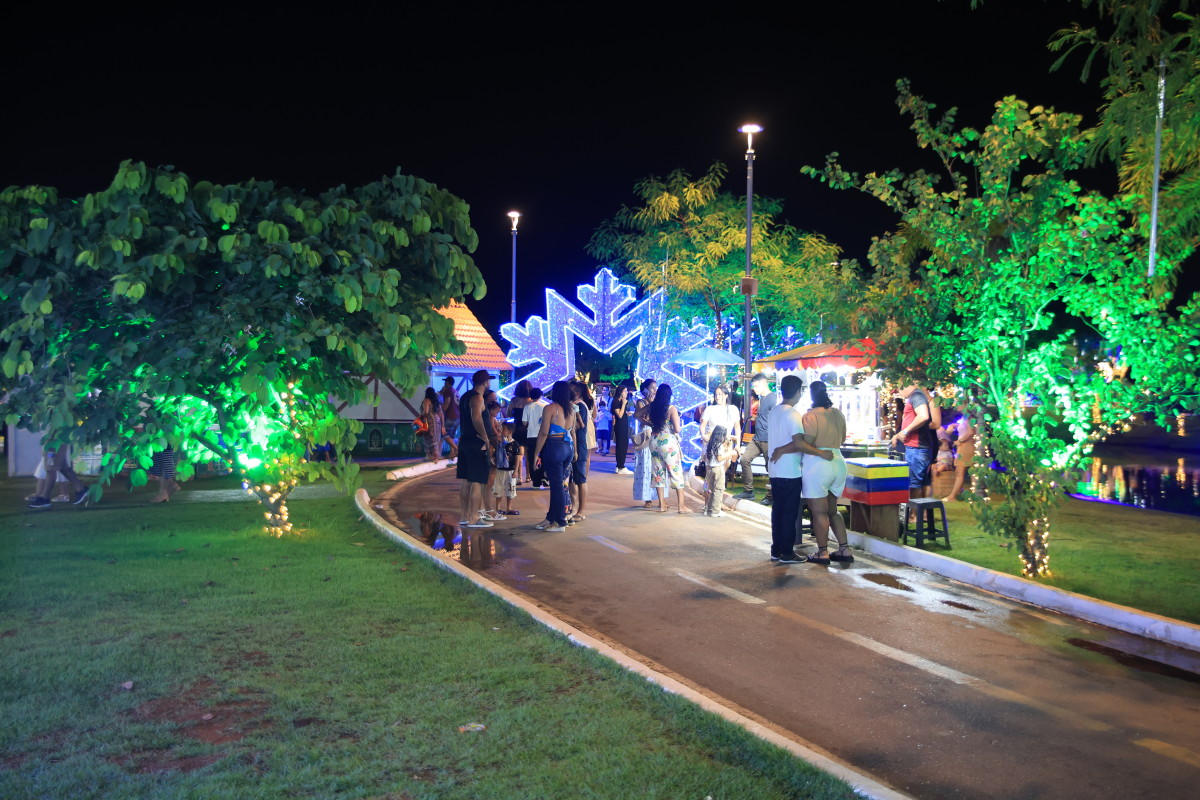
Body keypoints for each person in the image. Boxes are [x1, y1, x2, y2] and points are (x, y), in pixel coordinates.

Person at [767, 375, 834, 563]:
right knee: (789, 513)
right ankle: (787, 553)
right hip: (789, 471)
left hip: (775, 469)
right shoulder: (793, 414)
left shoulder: (774, 412)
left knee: (778, 512)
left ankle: (776, 550)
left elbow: (786, 442)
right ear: (798, 392)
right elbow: (799, 443)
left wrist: (781, 449)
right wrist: (821, 453)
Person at [798, 381, 853, 564]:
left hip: (818, 464)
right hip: (838, 461)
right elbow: (842, 439)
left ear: (812, 395)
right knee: (832, 510)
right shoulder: (837, 413)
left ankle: (822, 552)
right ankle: (844, 549)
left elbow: (807, 442)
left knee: (819, 512)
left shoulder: (810, 416)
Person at [635, 383, 690, 513]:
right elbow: (677, 429)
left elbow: (636, 415)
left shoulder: (652, 406)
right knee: (676, 473)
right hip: (668, 443)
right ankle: (681, 506)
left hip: (654, 441)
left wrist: (648, 424)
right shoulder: (671, 409)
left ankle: (661, 505)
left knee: (658, 473)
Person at [531, 381, 577, 532]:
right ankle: (551, 517)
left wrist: (536, 453)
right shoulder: (571, 409)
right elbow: (573, 432)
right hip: (568, 447)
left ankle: (560, 521)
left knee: (557, 487)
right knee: (558, 485)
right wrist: (575, 451)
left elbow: (544, 432)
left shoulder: (550, 408)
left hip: (555, 446)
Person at [457, 370, 496, 528]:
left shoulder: (465, 396)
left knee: (466, 481)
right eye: (489, 381)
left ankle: (464, 516)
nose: (489, 384)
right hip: (476, 442)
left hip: (465, 441)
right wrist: (486, 438)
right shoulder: (478, 397)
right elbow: (477, 418)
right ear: (485, 382)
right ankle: (474, 517)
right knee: (477, 481)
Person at [890, 383, 936, 502]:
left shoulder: (916, 396)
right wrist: (898, 435)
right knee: (922, 482)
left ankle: (915, 511)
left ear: (902, 385)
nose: (900, 394)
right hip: (918, 447)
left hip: (917, 448)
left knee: (914, 484)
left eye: (898, 391)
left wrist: (905, 431)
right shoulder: (915, 396)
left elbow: (923, 416)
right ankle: (923, 511)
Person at [736, 373, 776, 505]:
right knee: (744, 459)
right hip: (757, 438)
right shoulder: (762, 399)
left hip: (768, 439)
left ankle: (770, 496)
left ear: (764, 383)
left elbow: (777, 418)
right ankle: (749, 491)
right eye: (754, 386)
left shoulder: (773, 399)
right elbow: (765, 416)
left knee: (770, 468)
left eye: (756, 386)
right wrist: (756, 418)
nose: (754, 389)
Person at [27, 442, 89, 509]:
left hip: (53, 444)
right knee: (62, 467)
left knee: (50, 468)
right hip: (56, 442)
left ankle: (45, 498)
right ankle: (81, 489)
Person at [568, 380, 595, 523]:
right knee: (572, 479)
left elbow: (579, 426)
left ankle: (581, 510)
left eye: (571, 390)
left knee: (580, 479)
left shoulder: (580, 406)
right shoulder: (573, 405)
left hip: (579, 445)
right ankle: (574, 507)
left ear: (577, 392)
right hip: (572, 446)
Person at [631, 379, 657, 507]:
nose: (655, 390)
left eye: (656, 388)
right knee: (646, 467)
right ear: (645, 389)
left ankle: (659, 496)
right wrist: (651, 404)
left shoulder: (657, 402)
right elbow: (641, 417)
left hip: (656, 434)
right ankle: (647, 498)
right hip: (646, 435)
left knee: (657, 466)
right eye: (652, 388)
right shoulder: (640, 402)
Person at [944, 405, 977, 502]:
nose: (956, 405)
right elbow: (968, 428)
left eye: (959, 403)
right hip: (966, 446)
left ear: (964, 404)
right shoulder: (966, 417)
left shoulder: (968, 416)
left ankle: (952, 496)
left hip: (965, 446)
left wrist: (960, 441)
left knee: (960, 472)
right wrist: (957, 425)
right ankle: (973, 495)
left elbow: (971, 432)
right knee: (971, 471)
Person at [702, 425, 737, 516]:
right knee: (718, 490)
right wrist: (730, 453)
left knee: (711, 490)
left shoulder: (709, 444)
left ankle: (708, 509)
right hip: (718, 468)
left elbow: (705, 457)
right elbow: (719, 458)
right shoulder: (719, 445)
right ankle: (715, 511)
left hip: (709, 468)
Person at [492, 420, 520, 516]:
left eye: (503, 429)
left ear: (510, 431)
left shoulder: (515, 444)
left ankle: (509, 508)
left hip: (510, 470)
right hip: (500, 470)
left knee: (510, 489)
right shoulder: (499, 443)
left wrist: (516, 471)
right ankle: (498, 508)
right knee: (498, 489)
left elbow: (517, 458)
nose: (501, 431)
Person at [523, 387, 549, 488]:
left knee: (532, 457)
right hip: (543, 435)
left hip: (531, 435)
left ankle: (536, 481)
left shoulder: (527, 407)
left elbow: (524, 423)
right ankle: (544, 476)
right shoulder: (545, 406)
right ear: (540, 395)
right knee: (544, 455)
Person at [509, 380, 533, 483]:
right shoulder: (531, 400)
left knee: (519, 453)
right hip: (529, 428)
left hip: (517, 428)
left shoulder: (514, 400)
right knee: (528, 453)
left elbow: (508, 413)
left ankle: (519, 476)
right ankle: (528, 476)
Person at [419, 387, 444, 462]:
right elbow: (441, 414)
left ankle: (429, 456)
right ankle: (436, 455)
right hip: (438, 421)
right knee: (436, 437)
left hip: (430, 420)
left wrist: (421, 417)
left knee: (429, 437)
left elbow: (426, 412)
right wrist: (443, 426)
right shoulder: (436, 401)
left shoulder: (426, 400)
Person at [611, 384, 632, 474]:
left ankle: (619, 465)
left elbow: (621, 413)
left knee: (623, 444)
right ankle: (621, 466)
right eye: (625, 391)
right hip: (620, 425)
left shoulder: (621, 401)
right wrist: (623, 404)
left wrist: (626, 413)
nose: (626, 393)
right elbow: (619, 415)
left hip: (623, 424)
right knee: (621, 445)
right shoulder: (616, 401)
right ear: (620, 392)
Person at [441, 378, 461, 454]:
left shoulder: (448, 391)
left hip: (451, 416)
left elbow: (447, 403)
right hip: (458, 416)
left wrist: (441, 409)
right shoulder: (455, 391)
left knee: (444, 434)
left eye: (445, 383)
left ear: (447, 383)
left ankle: (456, 449)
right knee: (451, 435)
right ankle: (452, 453)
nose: (444, 384)